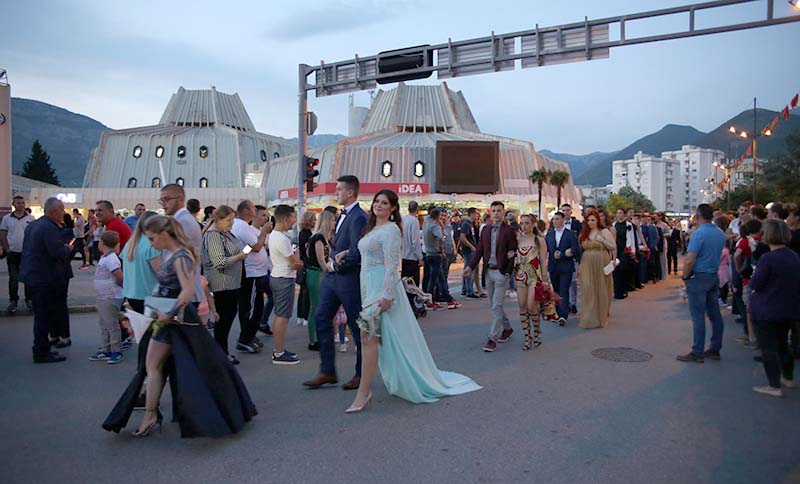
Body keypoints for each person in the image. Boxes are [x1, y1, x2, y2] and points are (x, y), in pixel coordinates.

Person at [103, 215, 257, 438]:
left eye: (153, 238)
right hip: (168, 316)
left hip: (175, 318)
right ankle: (151, 414)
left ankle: (151, 415)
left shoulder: (180, 257)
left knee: (166, 366)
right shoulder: (173, 254)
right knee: (164, 366)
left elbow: (186, 290)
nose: (151, 243)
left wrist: (168, 313)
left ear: (165, 235)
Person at [346, 190, 481, 412]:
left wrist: (387, 295)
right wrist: (344, 254)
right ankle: (369, 389)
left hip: (381, 287)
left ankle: (363, 393)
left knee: (368, 336)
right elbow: (367, 255)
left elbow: (392, 265)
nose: (379, 205)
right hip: (367, 285)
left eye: (384, 203)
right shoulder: (372, 229)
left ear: (392, 208)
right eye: (377, 202)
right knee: (374, 338)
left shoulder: (390, 230)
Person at [303, 176, 366, 390]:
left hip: (348, 279)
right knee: (321, 317)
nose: (336, 193)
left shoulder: (358, 216)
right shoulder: (343, 214)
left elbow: (357, 253)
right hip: (332, 279)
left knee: (356, 327)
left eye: (339, 190)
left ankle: (361, 373)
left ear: (350, 192)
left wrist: (335, 266)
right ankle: (327, 370)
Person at [748, 220, 799, 396]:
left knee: (768, 348)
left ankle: (774, 385)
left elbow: (757, 283)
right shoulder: (793, 256)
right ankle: (788, 377)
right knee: (784, 344)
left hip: (766, 308)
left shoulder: (767, 258)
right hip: (787, 307)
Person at [20, 198, 72, 362]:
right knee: (43, 316)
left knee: (42, 315)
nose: (63, 213)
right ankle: (41, 351)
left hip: (34, 275)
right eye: (61, 210)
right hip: (44, 278)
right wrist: (67, 249)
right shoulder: (49, 228)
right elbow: (56, 252)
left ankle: (43, 347)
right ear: (53, 211)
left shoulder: (34, 225)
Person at [463, 201, 518, 352]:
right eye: (493, 210)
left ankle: (492, 338)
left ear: (503, 212)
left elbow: (513, 252)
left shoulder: (509, 231)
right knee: (494, 306)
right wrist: (470, 266)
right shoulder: (485, 230)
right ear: (490, 212)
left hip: (501, 273)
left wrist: (507, 272)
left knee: (496, 306)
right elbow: (480, 250)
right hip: (488, 272)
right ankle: (507, 328)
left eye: (499, 210)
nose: (496, 213)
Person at [677, 203, 726, 363]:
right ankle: (714, 348)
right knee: (714, 314)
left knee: (698, 316)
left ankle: (697, 351)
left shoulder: (699, 234)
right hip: (713, 275)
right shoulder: (719, 233)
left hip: (698, 277)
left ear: (697, 216)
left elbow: (690, 258)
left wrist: (684, 276)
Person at [201, 205, 247, 364]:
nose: (232, 223)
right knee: (223, 319)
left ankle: (221, 352)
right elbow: (219, 262)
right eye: (229, 220)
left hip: (230, 282)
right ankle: (221, 354)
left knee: (227, 317)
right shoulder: (213, 235)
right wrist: (240, 256)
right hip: (222, 283)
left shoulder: (224, 232)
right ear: (219, 219)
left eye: (233, 220)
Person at [231, 200, 272, 355]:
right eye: (254, 209)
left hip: (255, 272)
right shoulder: (241, 226)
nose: (256, 211)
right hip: (251, 274)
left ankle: (249, 336)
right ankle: (244, 339)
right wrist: (264, 233)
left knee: (254, 306)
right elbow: (256, 247)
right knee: (252, 307)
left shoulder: (244, 227)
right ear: (247, 211)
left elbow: (249, 247)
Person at [267, 205, 304, 365]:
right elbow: (295, 263)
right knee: (283, 316)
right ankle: (279, 352)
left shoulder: (275, 236)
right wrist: (298, 260)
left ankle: (279, 350)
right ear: (285, 218)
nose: (294, 223)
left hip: (277, 275)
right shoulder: (281, 238)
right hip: (284, 278)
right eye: (293, 219)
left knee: (279, 315)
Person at [514, 214, 554, 349]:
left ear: (533, 225)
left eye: (526, 223)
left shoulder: (539, 240)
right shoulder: (518, 239)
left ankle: (537, 331)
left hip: (534, 276)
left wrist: (544, 279)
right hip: (521, 275)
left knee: (531, 306)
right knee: (522, 306)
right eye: (522, 223)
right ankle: (527, 337)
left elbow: (543, 261)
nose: (524, 226)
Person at [89, 231, 125, 364]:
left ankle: (116, 350)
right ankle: (105, 349)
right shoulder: (105, 257)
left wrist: (122, 286)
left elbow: (119, 276)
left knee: (111, 324)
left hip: (110, 296)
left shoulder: (111, 259)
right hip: (103, 296)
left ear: (102, 242)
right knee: (104, 323)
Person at [578, 210, 615, 329]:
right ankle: (589, 315)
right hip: (587, 262)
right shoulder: (584, 233)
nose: (590, 222)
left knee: (601, 288)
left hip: (601, 261)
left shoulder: (604, 231)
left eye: (593, 220)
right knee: (588, 288)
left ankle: (601, 315)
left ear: (598, 220)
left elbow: (613, 246)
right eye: (588, 220)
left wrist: (602, 240)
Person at [306, 210, 336, 351]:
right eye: (333, 220)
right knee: (316, 307)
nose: (335, 223)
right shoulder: (318, 238)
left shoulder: (324, 237)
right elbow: (321, 261)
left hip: (318, 274)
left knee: (319, 307)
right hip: (316, 274)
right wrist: (330, 272)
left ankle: (318, 338)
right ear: (327, 221)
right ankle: (314, 340)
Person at [545, 211, 581, 327]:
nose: (555, 221)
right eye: (553, 219)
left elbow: (576, 250)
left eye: (557, 219)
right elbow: (545, 250)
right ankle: (557, 312)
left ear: (563, 220)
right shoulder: (549, 234)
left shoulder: (570, 234)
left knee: (564, 290)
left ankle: (563, 315)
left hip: (566, 267)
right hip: (553, 267)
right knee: (556, 290)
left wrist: (564, 254)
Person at [0, 195, 34, 313]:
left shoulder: (30, 218)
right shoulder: (7, 218)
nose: (21, 205)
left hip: (26, 254)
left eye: (23, 202)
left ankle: (29, 300)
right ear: (13, 204)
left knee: (28, 279)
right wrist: (7, 249)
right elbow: (3, 234)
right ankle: (13, 301)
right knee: (13, 279)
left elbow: (33, 235)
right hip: (12, 253)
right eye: (18, 203)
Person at [296, 211, 316, 328]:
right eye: (314, 219)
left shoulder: (302, 233)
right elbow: (307, 251)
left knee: (303, 292)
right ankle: (305, 316)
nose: (315, 222)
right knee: (307, 293)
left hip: (303, 264)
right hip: (308, 265)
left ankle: (300, 315)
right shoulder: (308, 235)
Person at [562, 204, 582, 314]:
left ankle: (573, 302)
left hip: (573, 255)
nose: (565, 212)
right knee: (564, 281)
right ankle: (566, 303)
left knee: (573, 281)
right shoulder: (557, 222)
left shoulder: (576, 224)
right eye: (563, 210)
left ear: (571, 211)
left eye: (567, 210)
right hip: (561, 257)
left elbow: (580, 238)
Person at [459, 208, 482, 298]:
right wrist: (471, 246)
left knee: (468, 269)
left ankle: (465, 289)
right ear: (472, 214)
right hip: (468, 250)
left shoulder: (471, 224)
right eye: (476, 214)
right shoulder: (466, 224)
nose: (477, 216)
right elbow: (462, 237)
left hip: (470, 249)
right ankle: (469, 291)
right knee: (470, 269)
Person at [401, 201, 423, 286]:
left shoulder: (403, 219)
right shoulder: (414, 221)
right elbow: (415, 242)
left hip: (404, 256)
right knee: (413, 285)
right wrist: (420, 257)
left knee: (405, 283)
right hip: (412, 258)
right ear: (417, 209)